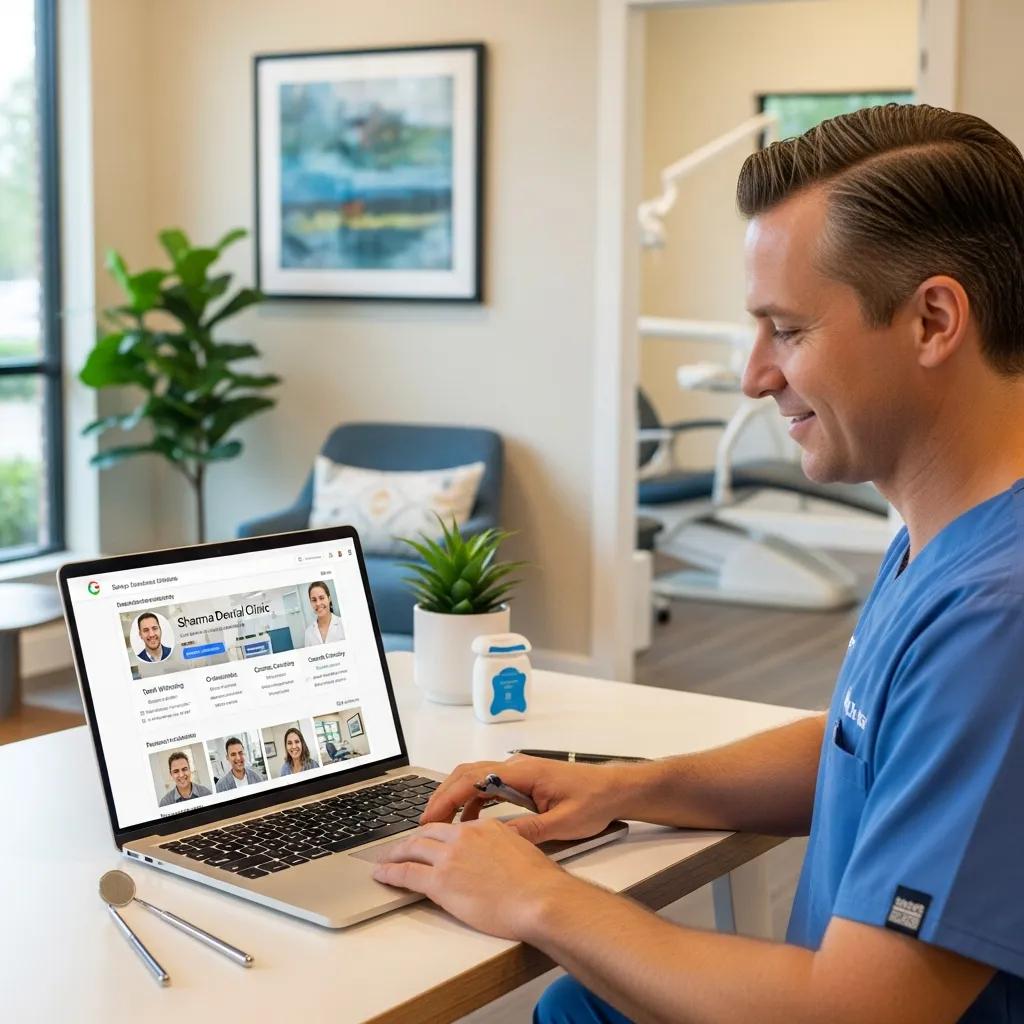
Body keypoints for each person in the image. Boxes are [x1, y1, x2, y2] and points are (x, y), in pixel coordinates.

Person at [372, 104, 1024, 1024]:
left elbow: (861, 1015)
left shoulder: (998, 615)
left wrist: (538, 897)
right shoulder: (946, 539)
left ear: (932, 320)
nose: (757, 375)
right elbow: (870, 747)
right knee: (577, 1009)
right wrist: (627, 787)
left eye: (788, 330)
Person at [303, 581, 345, 647]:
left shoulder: (344, 624)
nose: (318, 603)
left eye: (321, 598)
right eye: (314, 600)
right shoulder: (308, 632)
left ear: (329, 599)